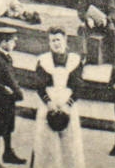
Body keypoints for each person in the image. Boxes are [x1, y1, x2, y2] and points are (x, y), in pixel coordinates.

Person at [30, 26, 85, 168]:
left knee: (70, 142)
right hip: (48, 104)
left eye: (58, 40)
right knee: (47, 141)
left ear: (65, 40)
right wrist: (48, 103)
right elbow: (39, 86)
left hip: (68, 104)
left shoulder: (74, 60)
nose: (56, 43)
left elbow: (78, 86)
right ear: (49, 42)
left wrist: (68, 104)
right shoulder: (43, 60)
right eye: (53, 40)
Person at [0, 27, 27, 166]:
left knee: (8, 126)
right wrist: (5, 89)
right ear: (4, 42)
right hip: (2, 100)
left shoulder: (5, 57)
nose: (14, 44)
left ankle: (7, 153)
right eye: (12, 41)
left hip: (9, 100)